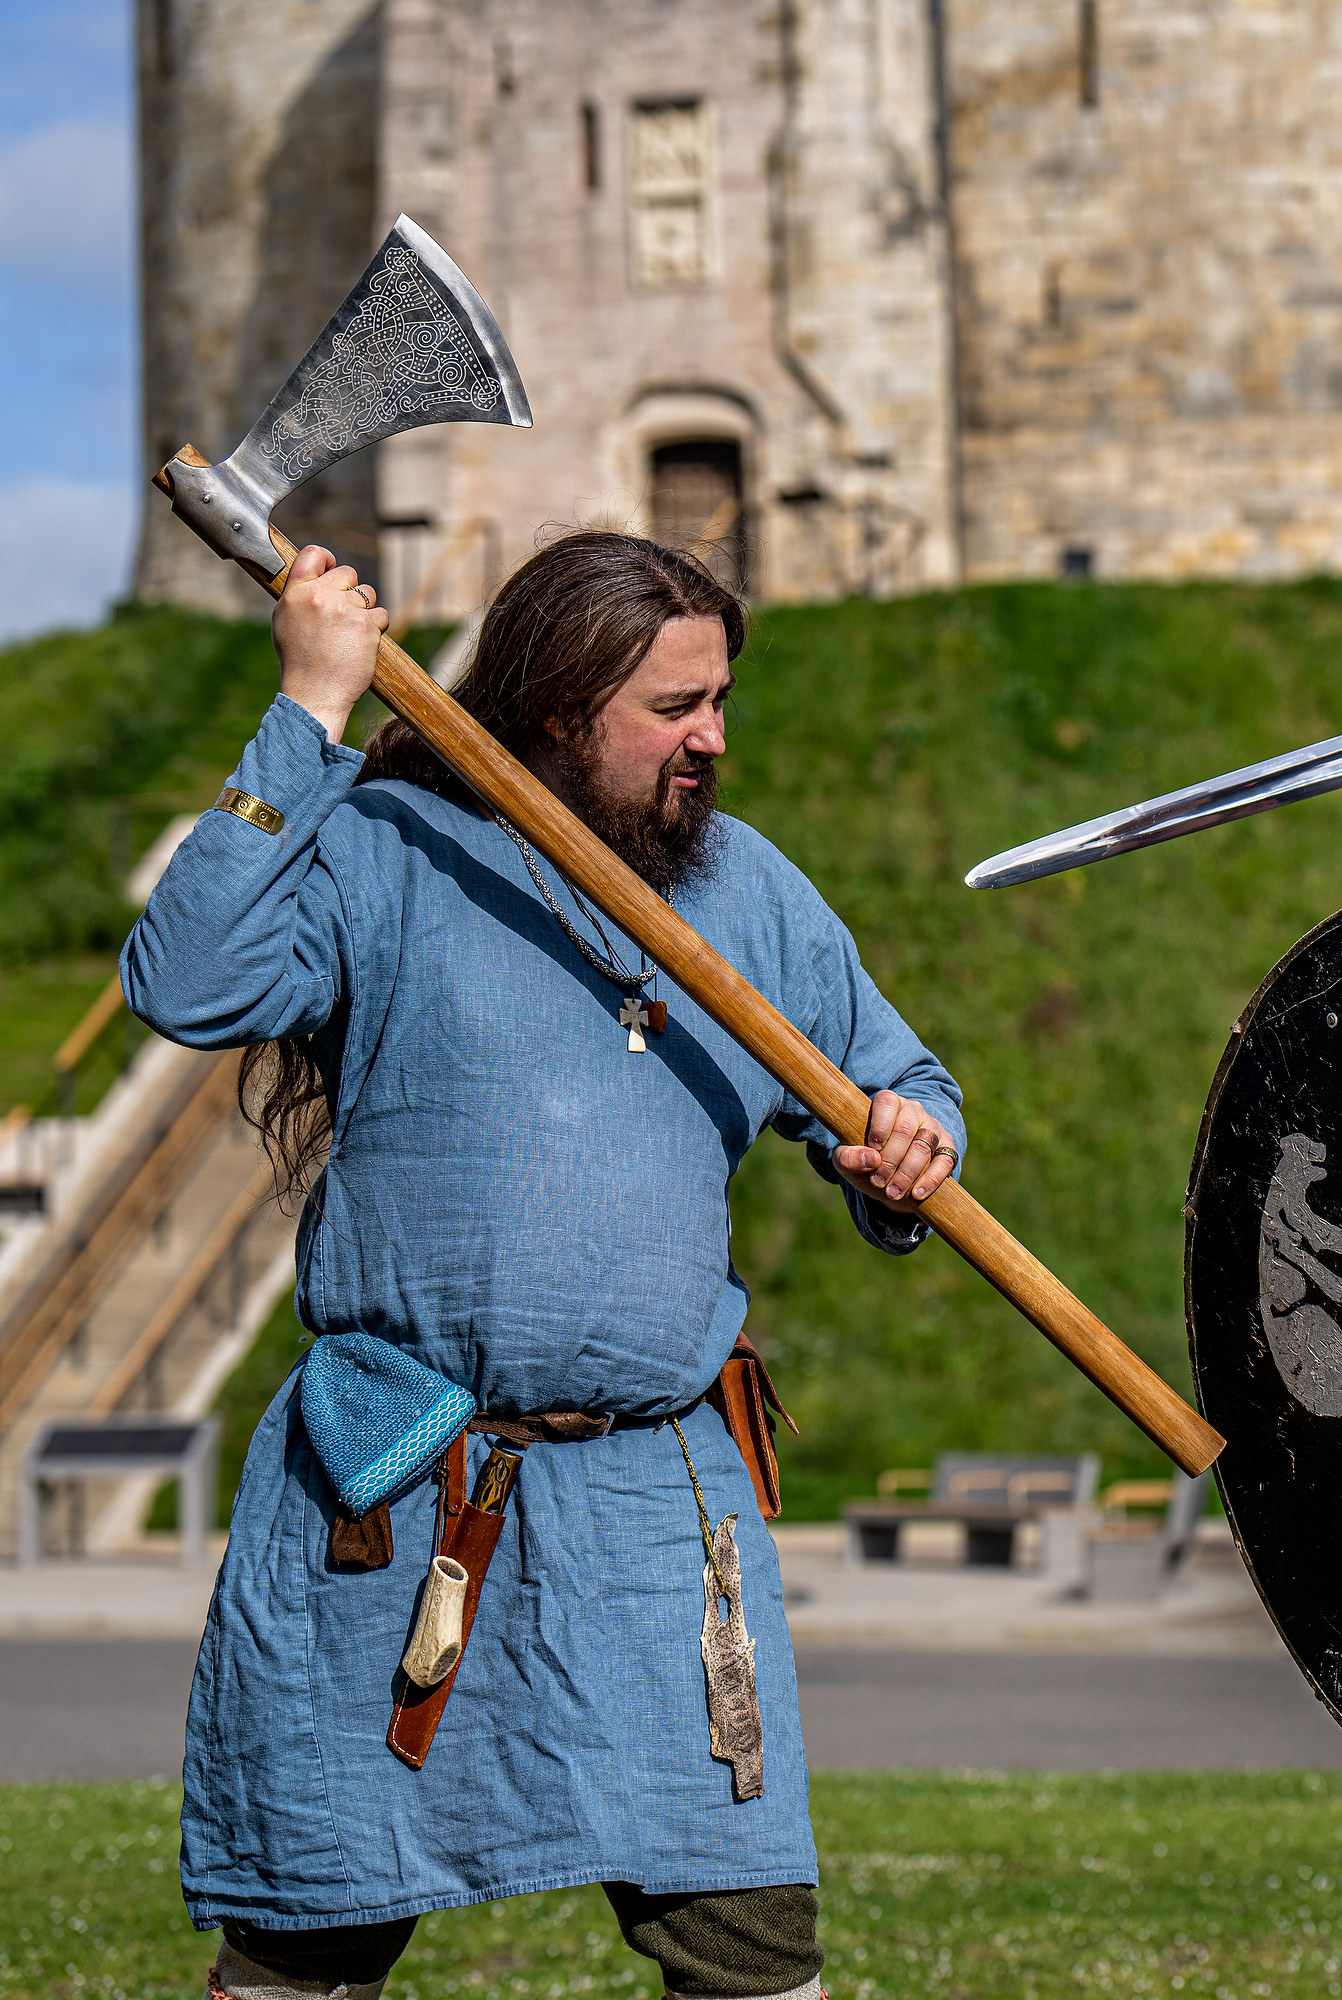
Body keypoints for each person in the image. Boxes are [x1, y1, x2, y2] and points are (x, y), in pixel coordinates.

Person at [126, 534, 964, 2000]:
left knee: (750, 1935)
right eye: (674, 706)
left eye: (720, 699)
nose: (714, 737)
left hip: (657, 1505)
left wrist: (911, 1139)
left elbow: (902, 1077)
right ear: (564, 708)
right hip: (400, 1488)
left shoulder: (748, 890)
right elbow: (188, 981)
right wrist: (307, 711)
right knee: (312, 1923)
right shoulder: (391, 851)